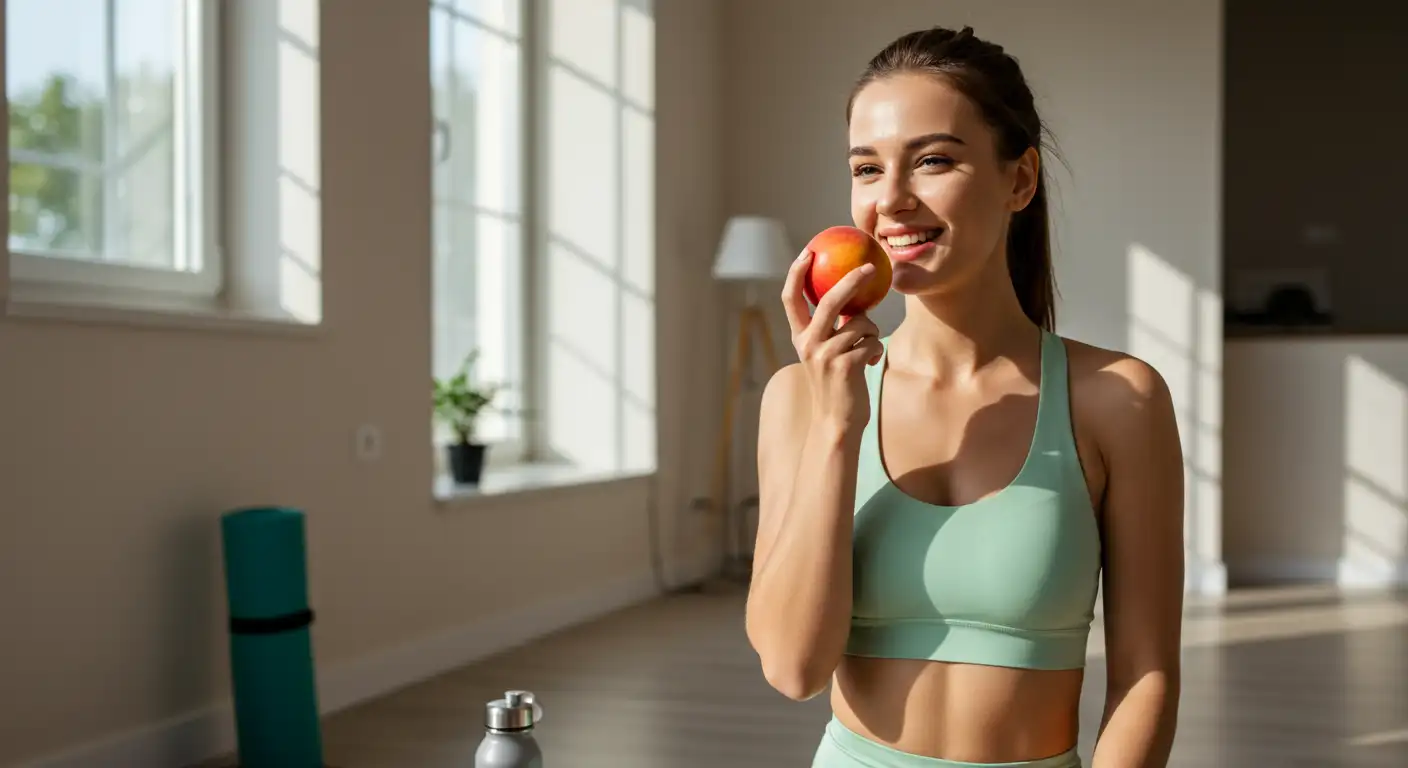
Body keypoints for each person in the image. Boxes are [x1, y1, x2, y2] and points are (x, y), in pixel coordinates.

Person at [744, 26, 1185, 768]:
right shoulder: (801, 397)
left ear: (1020, 180)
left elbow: (1148, 677)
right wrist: (837, 426)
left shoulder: (1118, 400)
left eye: (934, 161)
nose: (891, 201)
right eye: (866, 169)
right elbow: (793, 669)